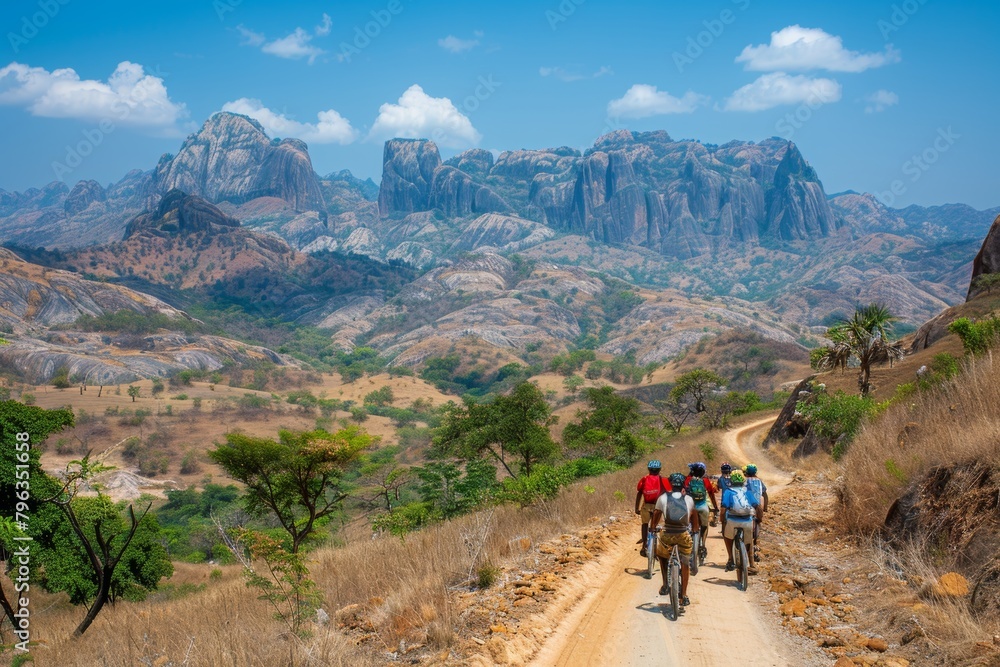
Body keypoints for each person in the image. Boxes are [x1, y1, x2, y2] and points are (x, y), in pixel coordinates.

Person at [649, 472, 700, 607]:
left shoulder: (663, 498)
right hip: (683, 534)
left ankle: (666, 584)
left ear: (671, 484)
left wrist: (653, 527)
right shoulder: (688, 499)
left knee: (662, 556)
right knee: (685, 563)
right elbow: (694, 515)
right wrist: (695, 529)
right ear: (683, 484)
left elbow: (656, 514)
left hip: (667, 534)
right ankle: (683, 594)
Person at [721, 470, 763, 576]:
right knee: (749, 542)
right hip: (747, 521)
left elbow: (723, 509)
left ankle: (730, 558)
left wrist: (722, 521)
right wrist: (759, 519)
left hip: (732, 520)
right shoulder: (747, 492)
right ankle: (752, 564)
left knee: (726, 535)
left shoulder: (728, 491)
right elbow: (758, 507)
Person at [684, 462, 718, 559]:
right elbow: (711, 494)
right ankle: (702, 544)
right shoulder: (705, 481)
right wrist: (715, 507)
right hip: (702, 506)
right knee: (705, 526)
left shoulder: (688, 480)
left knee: (687, 525)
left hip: (690, 507)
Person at [634, 460, 667, 558]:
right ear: (659, 469)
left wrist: (637, 508)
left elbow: (639, 493)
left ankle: (644, 546)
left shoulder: (644, 479)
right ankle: (661, 547)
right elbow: (667, 493)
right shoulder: (662, 479)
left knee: (644, 524)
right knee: (659, 526)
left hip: (646, 506)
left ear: (649, 469)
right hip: (658, 506)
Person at [743, 464, 768, 560]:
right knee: (759, 521)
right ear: (755, 472)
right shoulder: (759, 481)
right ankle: (756, 541)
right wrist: (765, 507)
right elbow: (764, 494)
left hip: (745, 505)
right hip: (757, 506)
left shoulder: (744, 480)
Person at [717, 462, 734, 534]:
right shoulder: (734, 478)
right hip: (733, 499)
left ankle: (723, 530)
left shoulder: (721, 479)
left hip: (724, 500)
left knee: (723, 516)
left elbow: (719, 487)